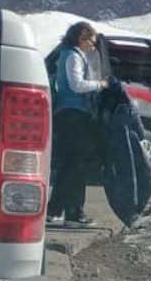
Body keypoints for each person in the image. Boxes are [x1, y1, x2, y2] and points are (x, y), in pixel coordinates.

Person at [46, 22, 108, 228]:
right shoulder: (73, 56)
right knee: (75, 165)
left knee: (72, 166)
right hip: (73, 115)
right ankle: (66, 211)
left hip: (69, 115)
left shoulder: (67, 54)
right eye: (91, 41)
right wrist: (100, 84)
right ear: (81, 37)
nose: (93, 45)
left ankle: (67, 210)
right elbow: (76, 84)